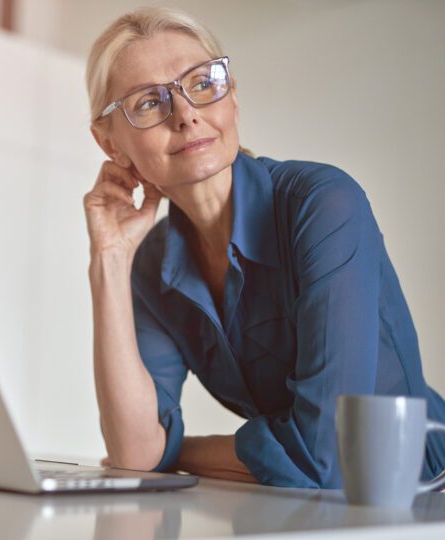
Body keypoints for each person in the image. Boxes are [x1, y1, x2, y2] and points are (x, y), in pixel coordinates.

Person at [82, 6, 445, 488]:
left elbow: (329, 457)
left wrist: (178, 451)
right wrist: (107, 258)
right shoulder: (151, 264)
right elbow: (133, 451)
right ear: (111, 145)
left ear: (232, 98)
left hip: (421, 487)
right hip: (300, 504)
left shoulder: (323, 204)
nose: (187, 114)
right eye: (149, 103)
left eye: (203, 82)